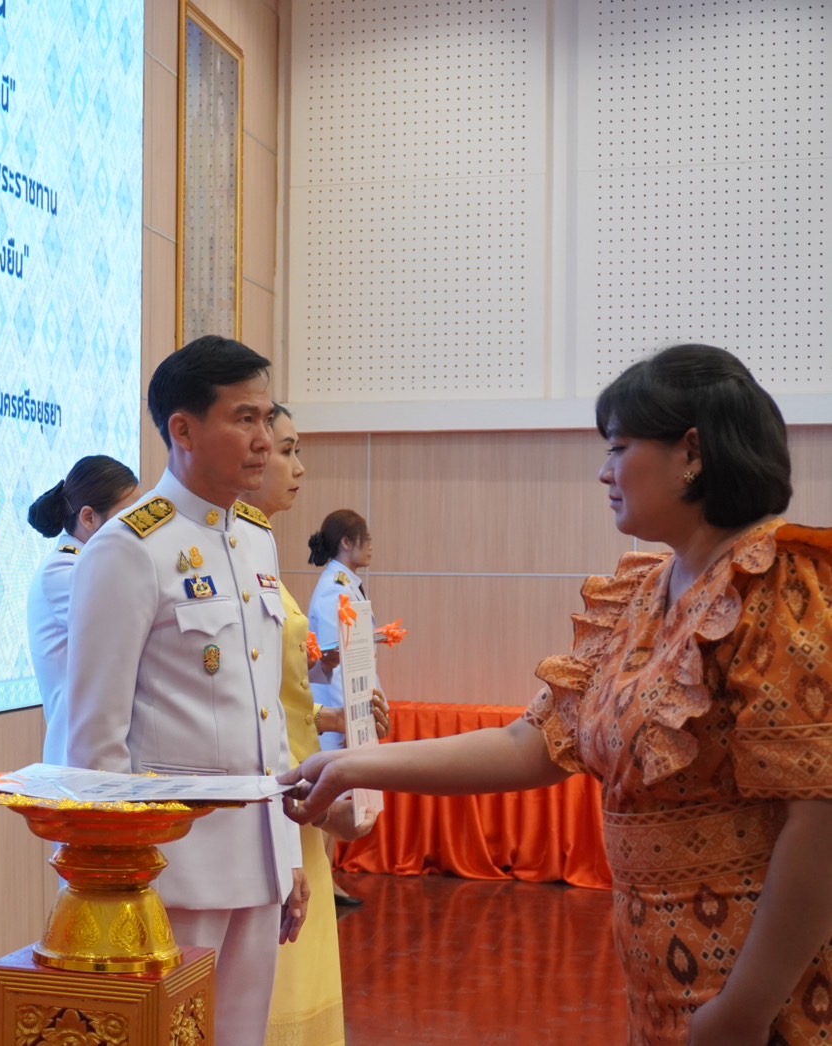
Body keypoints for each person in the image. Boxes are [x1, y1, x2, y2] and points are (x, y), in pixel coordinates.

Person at [279, 344, 832, 1045]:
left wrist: (745, 1010)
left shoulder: (782, 588)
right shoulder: (642, 591)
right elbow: (533, 742)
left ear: (691, 452)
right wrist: (351, 765)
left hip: (760, 989)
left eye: (619, 447)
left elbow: (819, 827)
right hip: (661, 973)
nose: (602, 471)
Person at [63, 335, 305, 1046]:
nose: (263, 440)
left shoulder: (256, 537)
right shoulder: (129, 547)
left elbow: (266, 717)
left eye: (266, 420)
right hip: (172, 871)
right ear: (182, 429)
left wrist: (285, 857)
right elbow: (95, 735)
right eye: (244, 419)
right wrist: (116, 885)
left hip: (256, 861)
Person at [245, 407, 381, 1046]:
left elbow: (283, 696)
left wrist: (341, 717)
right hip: (273, 808)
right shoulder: (231, 556)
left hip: (298, 800)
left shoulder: (259, 553)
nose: (296, 467)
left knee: (305, 985)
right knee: (269, 998)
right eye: (285, 449)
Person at [26, 454, 139, 763]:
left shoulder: (88, 564)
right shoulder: (63, 569)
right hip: (77, 756)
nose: (140, 530)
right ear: (89, 518)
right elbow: (129, 634)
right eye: (127, 517)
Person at [306, 508, 387, 906]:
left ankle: (328, 881)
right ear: (347, 543)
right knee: (329, 803)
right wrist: (347, 719)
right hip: (337, 712)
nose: (371, 546)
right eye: (365, 538)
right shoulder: (333, 590)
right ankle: (321, 885)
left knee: (339, 800)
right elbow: (331, 662)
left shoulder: (347, 585)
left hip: (350, 707)